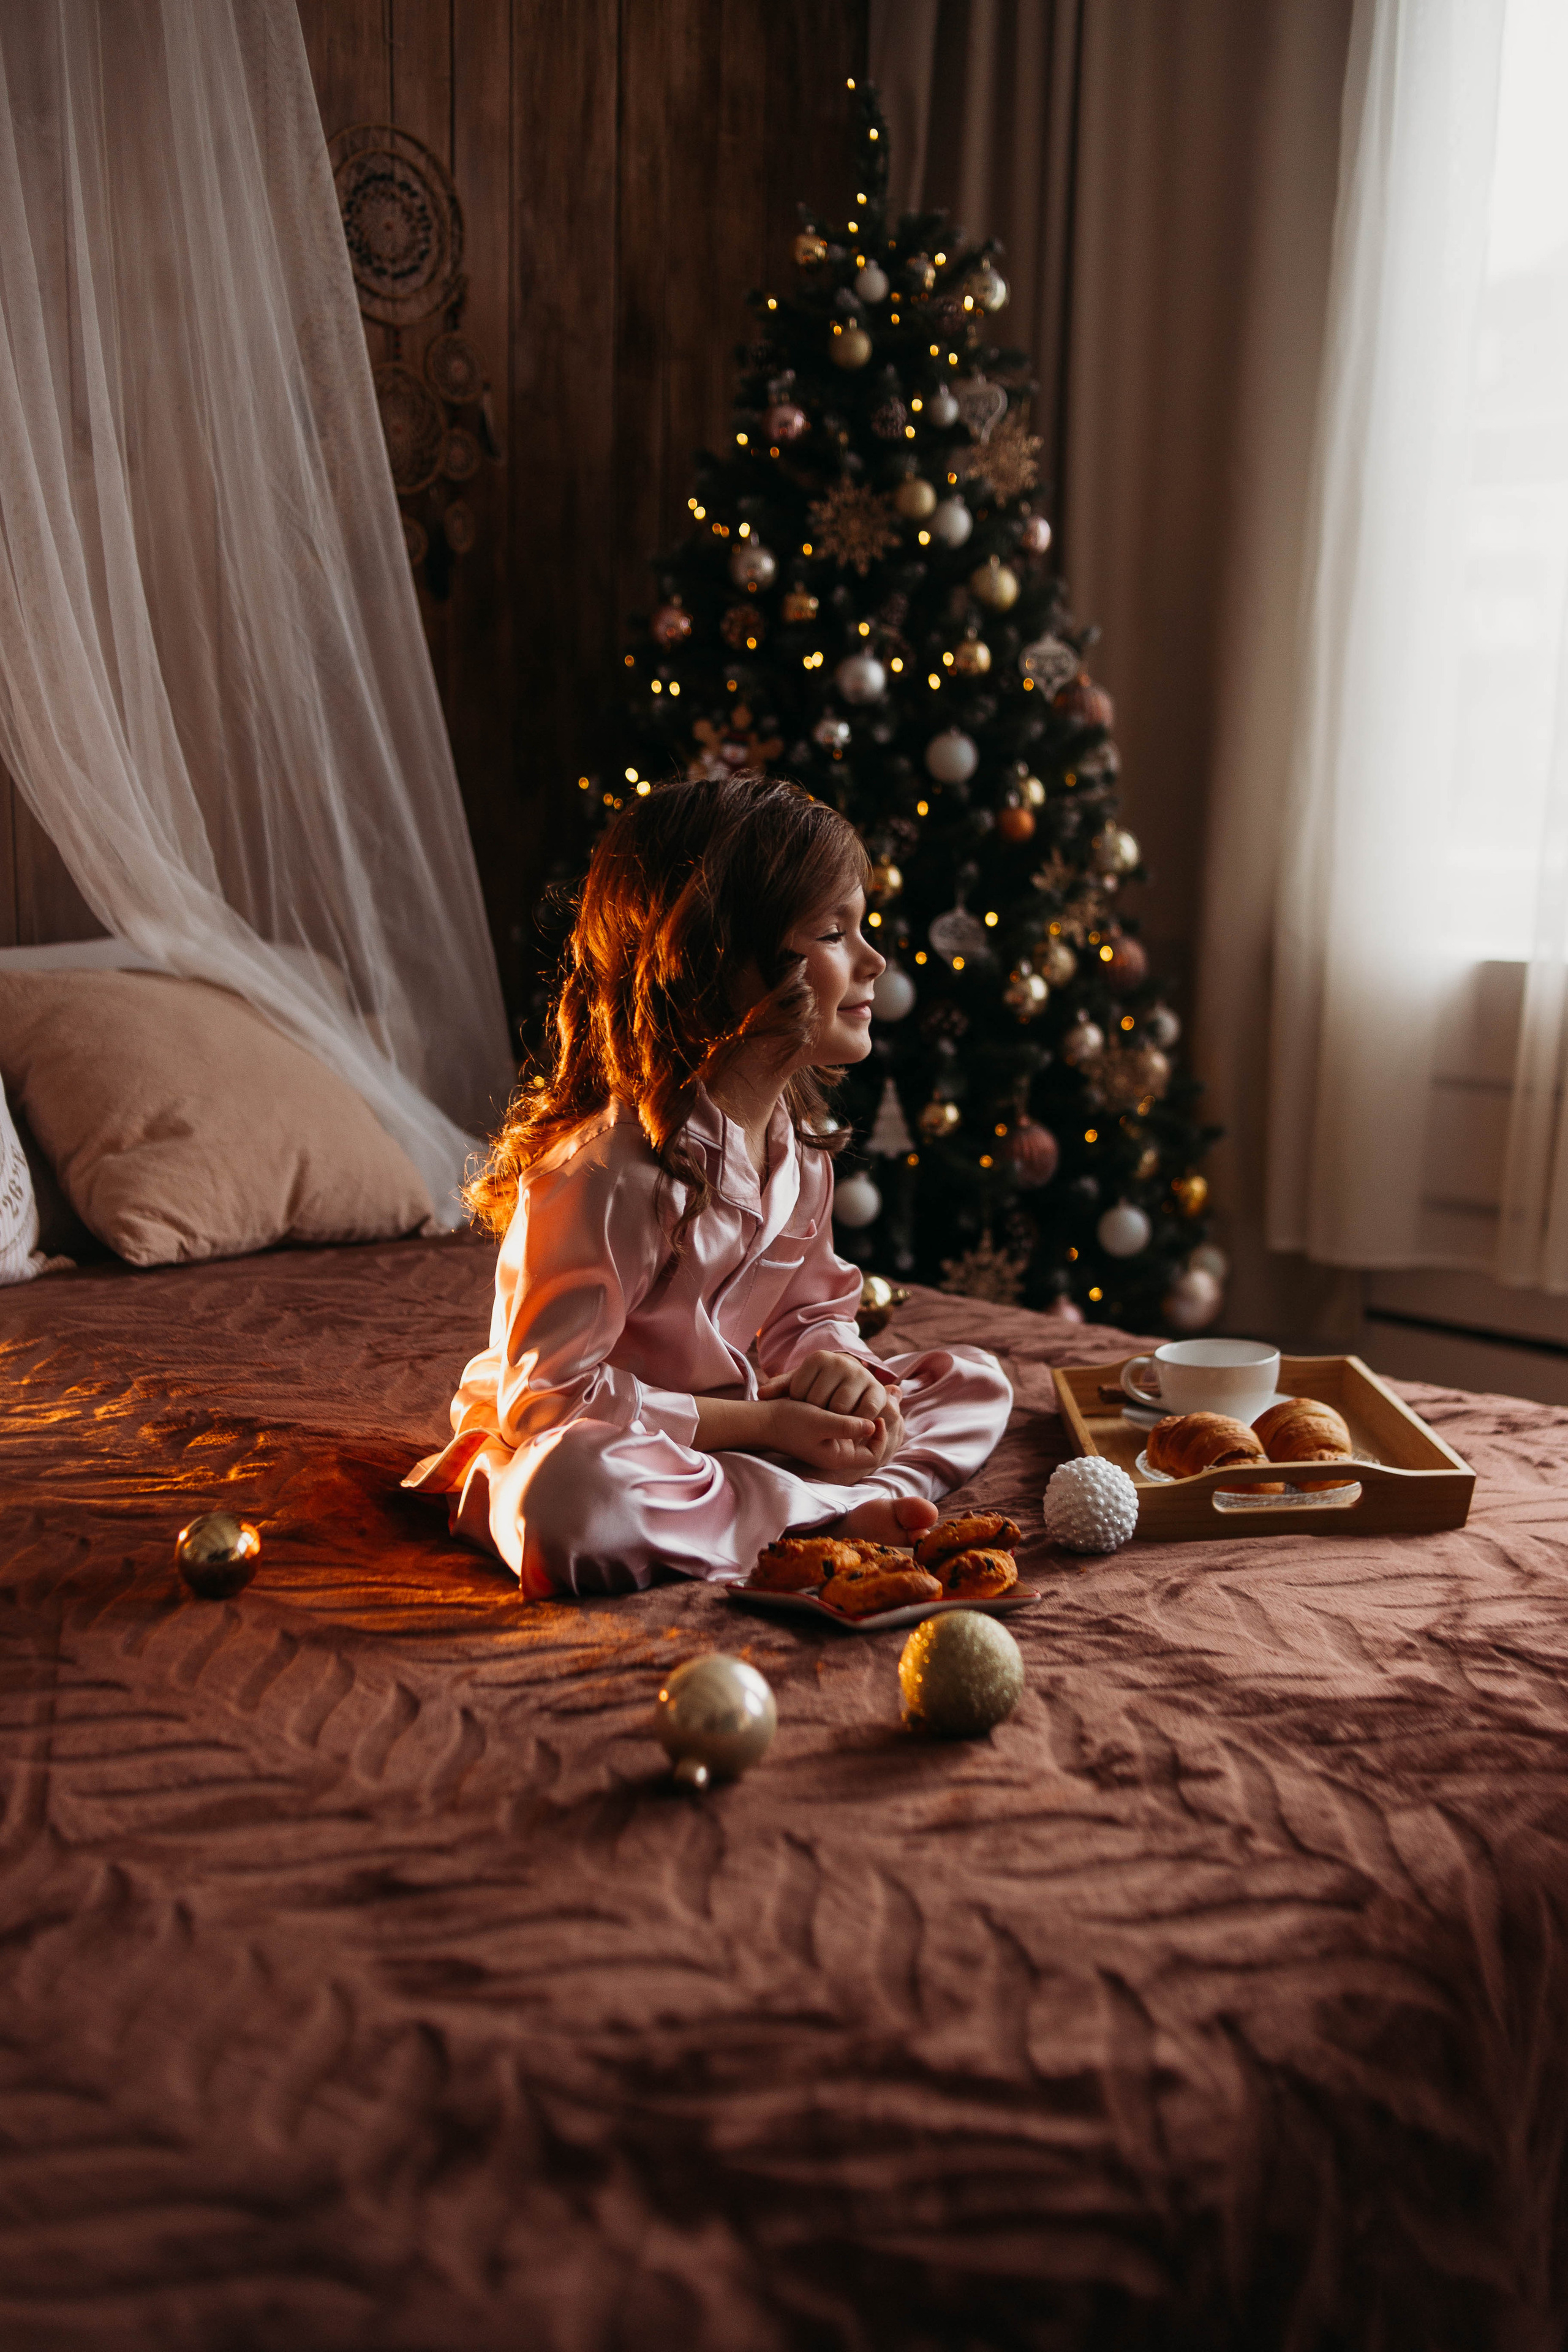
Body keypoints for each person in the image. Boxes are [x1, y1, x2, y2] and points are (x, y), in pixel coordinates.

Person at [405, 771, 1012, 1596]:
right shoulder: (608, 1172)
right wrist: (767, 1423)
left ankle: (795, 1506)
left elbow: (813, 1313)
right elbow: (546, 1402)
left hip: (739, 1432)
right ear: (718, 962)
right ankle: (824, 1513)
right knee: (570, 1497)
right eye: (835, 933)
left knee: (973, 1382)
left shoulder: (798, 1150)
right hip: (601, 1438)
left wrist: (843, 1376)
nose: (874, 961)